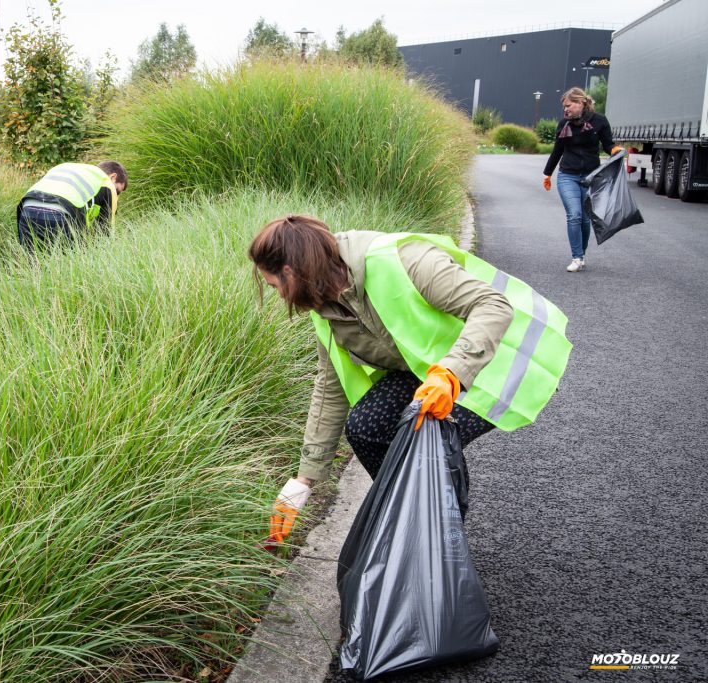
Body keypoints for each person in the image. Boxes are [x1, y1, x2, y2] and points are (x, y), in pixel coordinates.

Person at [249, 215, 571, 547]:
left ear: (290, 271)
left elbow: (492, 305)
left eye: (274, 286)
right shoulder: (326, 303)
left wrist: (452, 373)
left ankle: (442, 546)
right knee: (365, 428)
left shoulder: (403, 260)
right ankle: (408, 517)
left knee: (428, 438)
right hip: (429, 372)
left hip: (496, 359)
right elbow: (330, 389)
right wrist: (305, 479)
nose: (278, 296)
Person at [542, 87, 623, 273]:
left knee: (585, 220)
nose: (565, 110)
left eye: (568, 106)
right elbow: (557, 150)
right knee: (575, 215)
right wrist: (547, 174)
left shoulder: (599, 121)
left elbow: (607, 144)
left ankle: (582, 254)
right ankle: (576, 257)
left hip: (590, 177)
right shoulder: (564, 124)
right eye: (564, 106)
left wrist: (614, 150)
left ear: (581, 103)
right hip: (567, 175)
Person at [16, 161, 127, 251]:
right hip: (61, 212)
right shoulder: (106, 182)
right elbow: (105, 235)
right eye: (118, 191)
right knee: (70, 263)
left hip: (27, 209)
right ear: (113, 177)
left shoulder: (67, 168)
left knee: (32, 262)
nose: (116, 196)